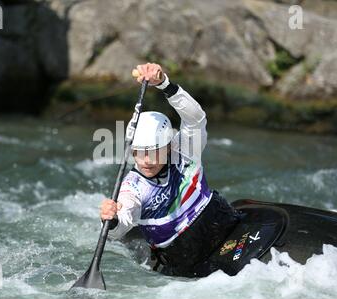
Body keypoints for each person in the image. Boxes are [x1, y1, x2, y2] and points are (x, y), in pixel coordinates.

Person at [99, 62, 241, 277]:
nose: (145, 160)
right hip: (183, 255)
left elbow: (196, 118)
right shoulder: (132, 186)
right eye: (138, 152)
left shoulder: (185, 149)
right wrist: (112, 220)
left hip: (221, 221)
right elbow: (123, 222)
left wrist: (165, 85)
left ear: (168, 147)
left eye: (153, 151)